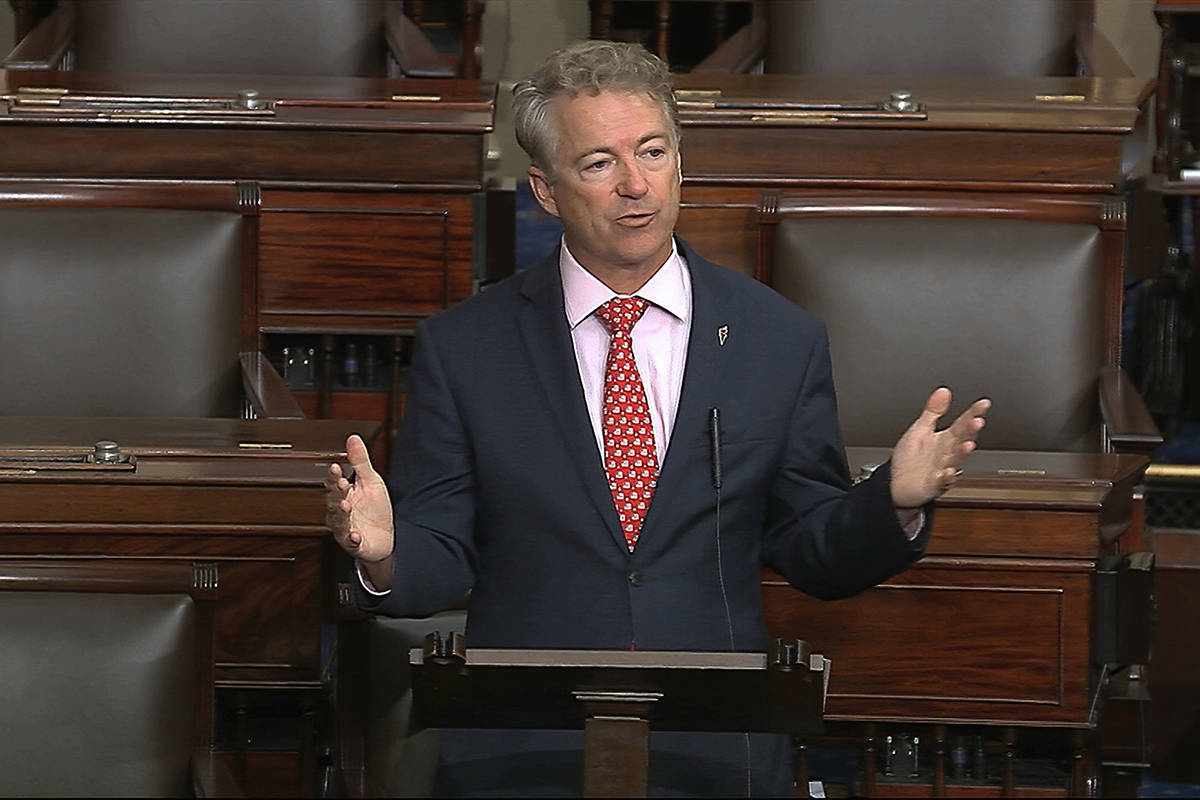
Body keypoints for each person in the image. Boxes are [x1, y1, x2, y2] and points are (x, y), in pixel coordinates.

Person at [327, 40, 991, 797]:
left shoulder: (777, 338)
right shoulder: (465, 347)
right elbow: (440, 555)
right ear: (545, 189)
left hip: (713, 747)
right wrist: (384, 552)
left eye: (652, 152)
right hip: (522, 751)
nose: (636, 186)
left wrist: (893, 504)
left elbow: (812, 548)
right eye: (600, 163)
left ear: (682, 160)